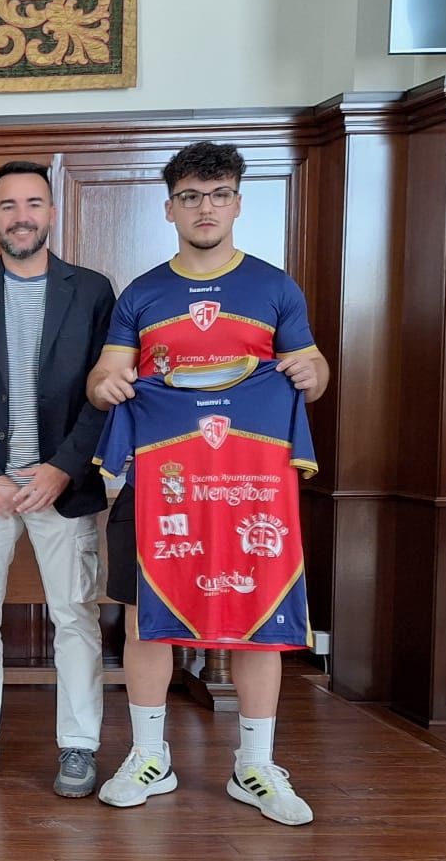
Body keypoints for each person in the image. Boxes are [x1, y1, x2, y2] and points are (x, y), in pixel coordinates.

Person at [86, 140, 331, 825]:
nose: (205, 207)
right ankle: (149, 754)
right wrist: (107, 384)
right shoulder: (142, 293)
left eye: (218, 194)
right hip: (158, 486)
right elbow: (106, 375)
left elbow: (310, 365)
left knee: (259, 620)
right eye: (190, 195)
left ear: (237, 204)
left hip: (247, 487)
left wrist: (313, 374)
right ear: (170, 208)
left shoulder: (275, 287)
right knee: (146, 618)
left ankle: (254, 763)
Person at [0, 160, 116, 793]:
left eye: (33, 203)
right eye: (8, 205)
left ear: (51, 213)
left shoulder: (92, 291)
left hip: (61, 488)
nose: (21, 216)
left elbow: (105, 392)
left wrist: (62, 470)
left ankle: (79, 744)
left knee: (74, 615)